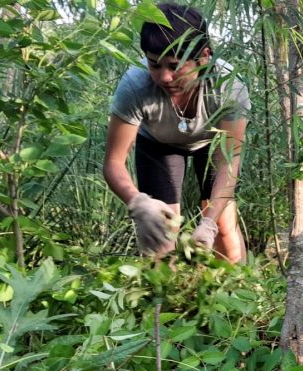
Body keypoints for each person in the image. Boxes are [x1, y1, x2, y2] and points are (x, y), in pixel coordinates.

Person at [104, 2, 250, 263]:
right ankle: (167, 301)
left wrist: (209, 224)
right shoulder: (135, 84)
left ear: (203, 57)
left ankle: (235, 298)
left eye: (174, 66)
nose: (164, 77)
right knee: (162, 235)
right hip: (159, 144)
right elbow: (114, 163)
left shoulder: (230, 87)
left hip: (212, 143)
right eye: (154, 65)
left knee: (224, 229)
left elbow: (229, 163)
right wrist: (137, 202)